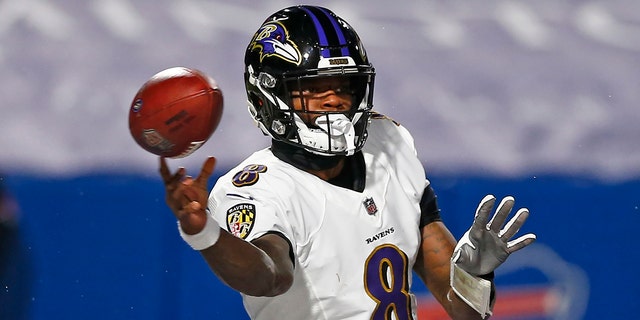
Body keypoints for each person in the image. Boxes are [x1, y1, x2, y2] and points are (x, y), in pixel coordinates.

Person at [160, 5, 536, 319]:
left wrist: (474, 274)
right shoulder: (255, 188)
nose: (334, 100)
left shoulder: (390, 145)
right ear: (267, 97)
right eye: (312, 88)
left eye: (343, 86)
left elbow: (466, 312)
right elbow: (270, 277)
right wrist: (204, 232)